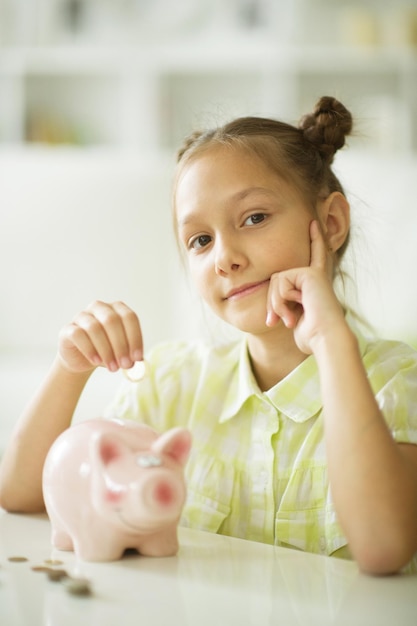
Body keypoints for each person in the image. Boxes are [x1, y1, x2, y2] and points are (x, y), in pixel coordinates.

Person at [0, 96, 416, 576]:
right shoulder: (172, 384)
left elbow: (384, 547)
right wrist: (68, 370)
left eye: (254, 218)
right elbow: (20, 495)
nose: (225, 258)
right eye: (200, 240)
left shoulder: (396, 381)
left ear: (330, 223)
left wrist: (330, 339)